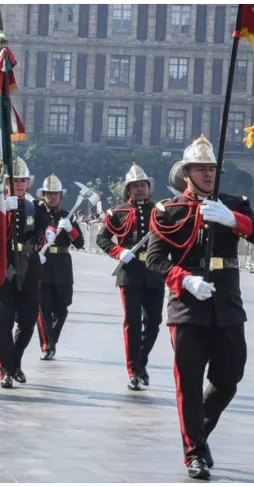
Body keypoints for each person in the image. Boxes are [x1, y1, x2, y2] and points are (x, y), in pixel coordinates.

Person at [146, 135, 254, 480]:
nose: (208, 174)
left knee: (229, 378)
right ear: (186, 173)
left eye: (212, 168)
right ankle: (195, 453)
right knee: (188, 383)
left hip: (227, 304)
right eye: (200, 168)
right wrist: (185, 280)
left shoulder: (234, 204)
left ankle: (198, 430)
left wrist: (233, 220)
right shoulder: (168, 210)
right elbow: (155, 259)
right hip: (187, 307)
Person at [96, 163, 164, 391]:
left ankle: (141, 361)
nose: (140, 189)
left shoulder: (160, 211)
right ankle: (134, 371)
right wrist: (118, 251)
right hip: (130, 273)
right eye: (135, 186)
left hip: (154, 272)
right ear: (128, 190)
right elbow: (102, 239)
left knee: (154, 323)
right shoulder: (117, 212)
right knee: (132, 322)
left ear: (149, 187)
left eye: (143, 185)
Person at [0, 158, 53, 388]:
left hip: (29, 267)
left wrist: (49, 232)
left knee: (28, 322)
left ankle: (15, 361)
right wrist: (1, 211)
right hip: (5, 266)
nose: (18, 185)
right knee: (4, 322)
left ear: (28, 183)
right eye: (14, 181)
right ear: (6, 183)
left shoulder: (34, 206)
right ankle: (6, 370)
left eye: (22, 181)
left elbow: (45, 223)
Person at [35, 174, 84, 360]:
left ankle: (52, 340)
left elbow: (79, 243)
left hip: (62, 265)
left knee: (62, 309)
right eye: (49, 193)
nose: (52, 196)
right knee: (43, 309)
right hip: (43, 262)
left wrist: (71, 229)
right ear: (43, 195)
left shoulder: (67, 216)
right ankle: (47, 346)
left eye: (55, 193)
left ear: (60, 196)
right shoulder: (37, 214)